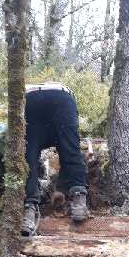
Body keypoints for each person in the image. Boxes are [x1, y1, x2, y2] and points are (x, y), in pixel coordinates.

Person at [21, 81, 89, 236]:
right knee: (70, 149)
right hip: (61, 96)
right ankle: (78, 199)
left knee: (29, 156)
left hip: (30, 98)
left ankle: (29, 209)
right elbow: (69, 155)